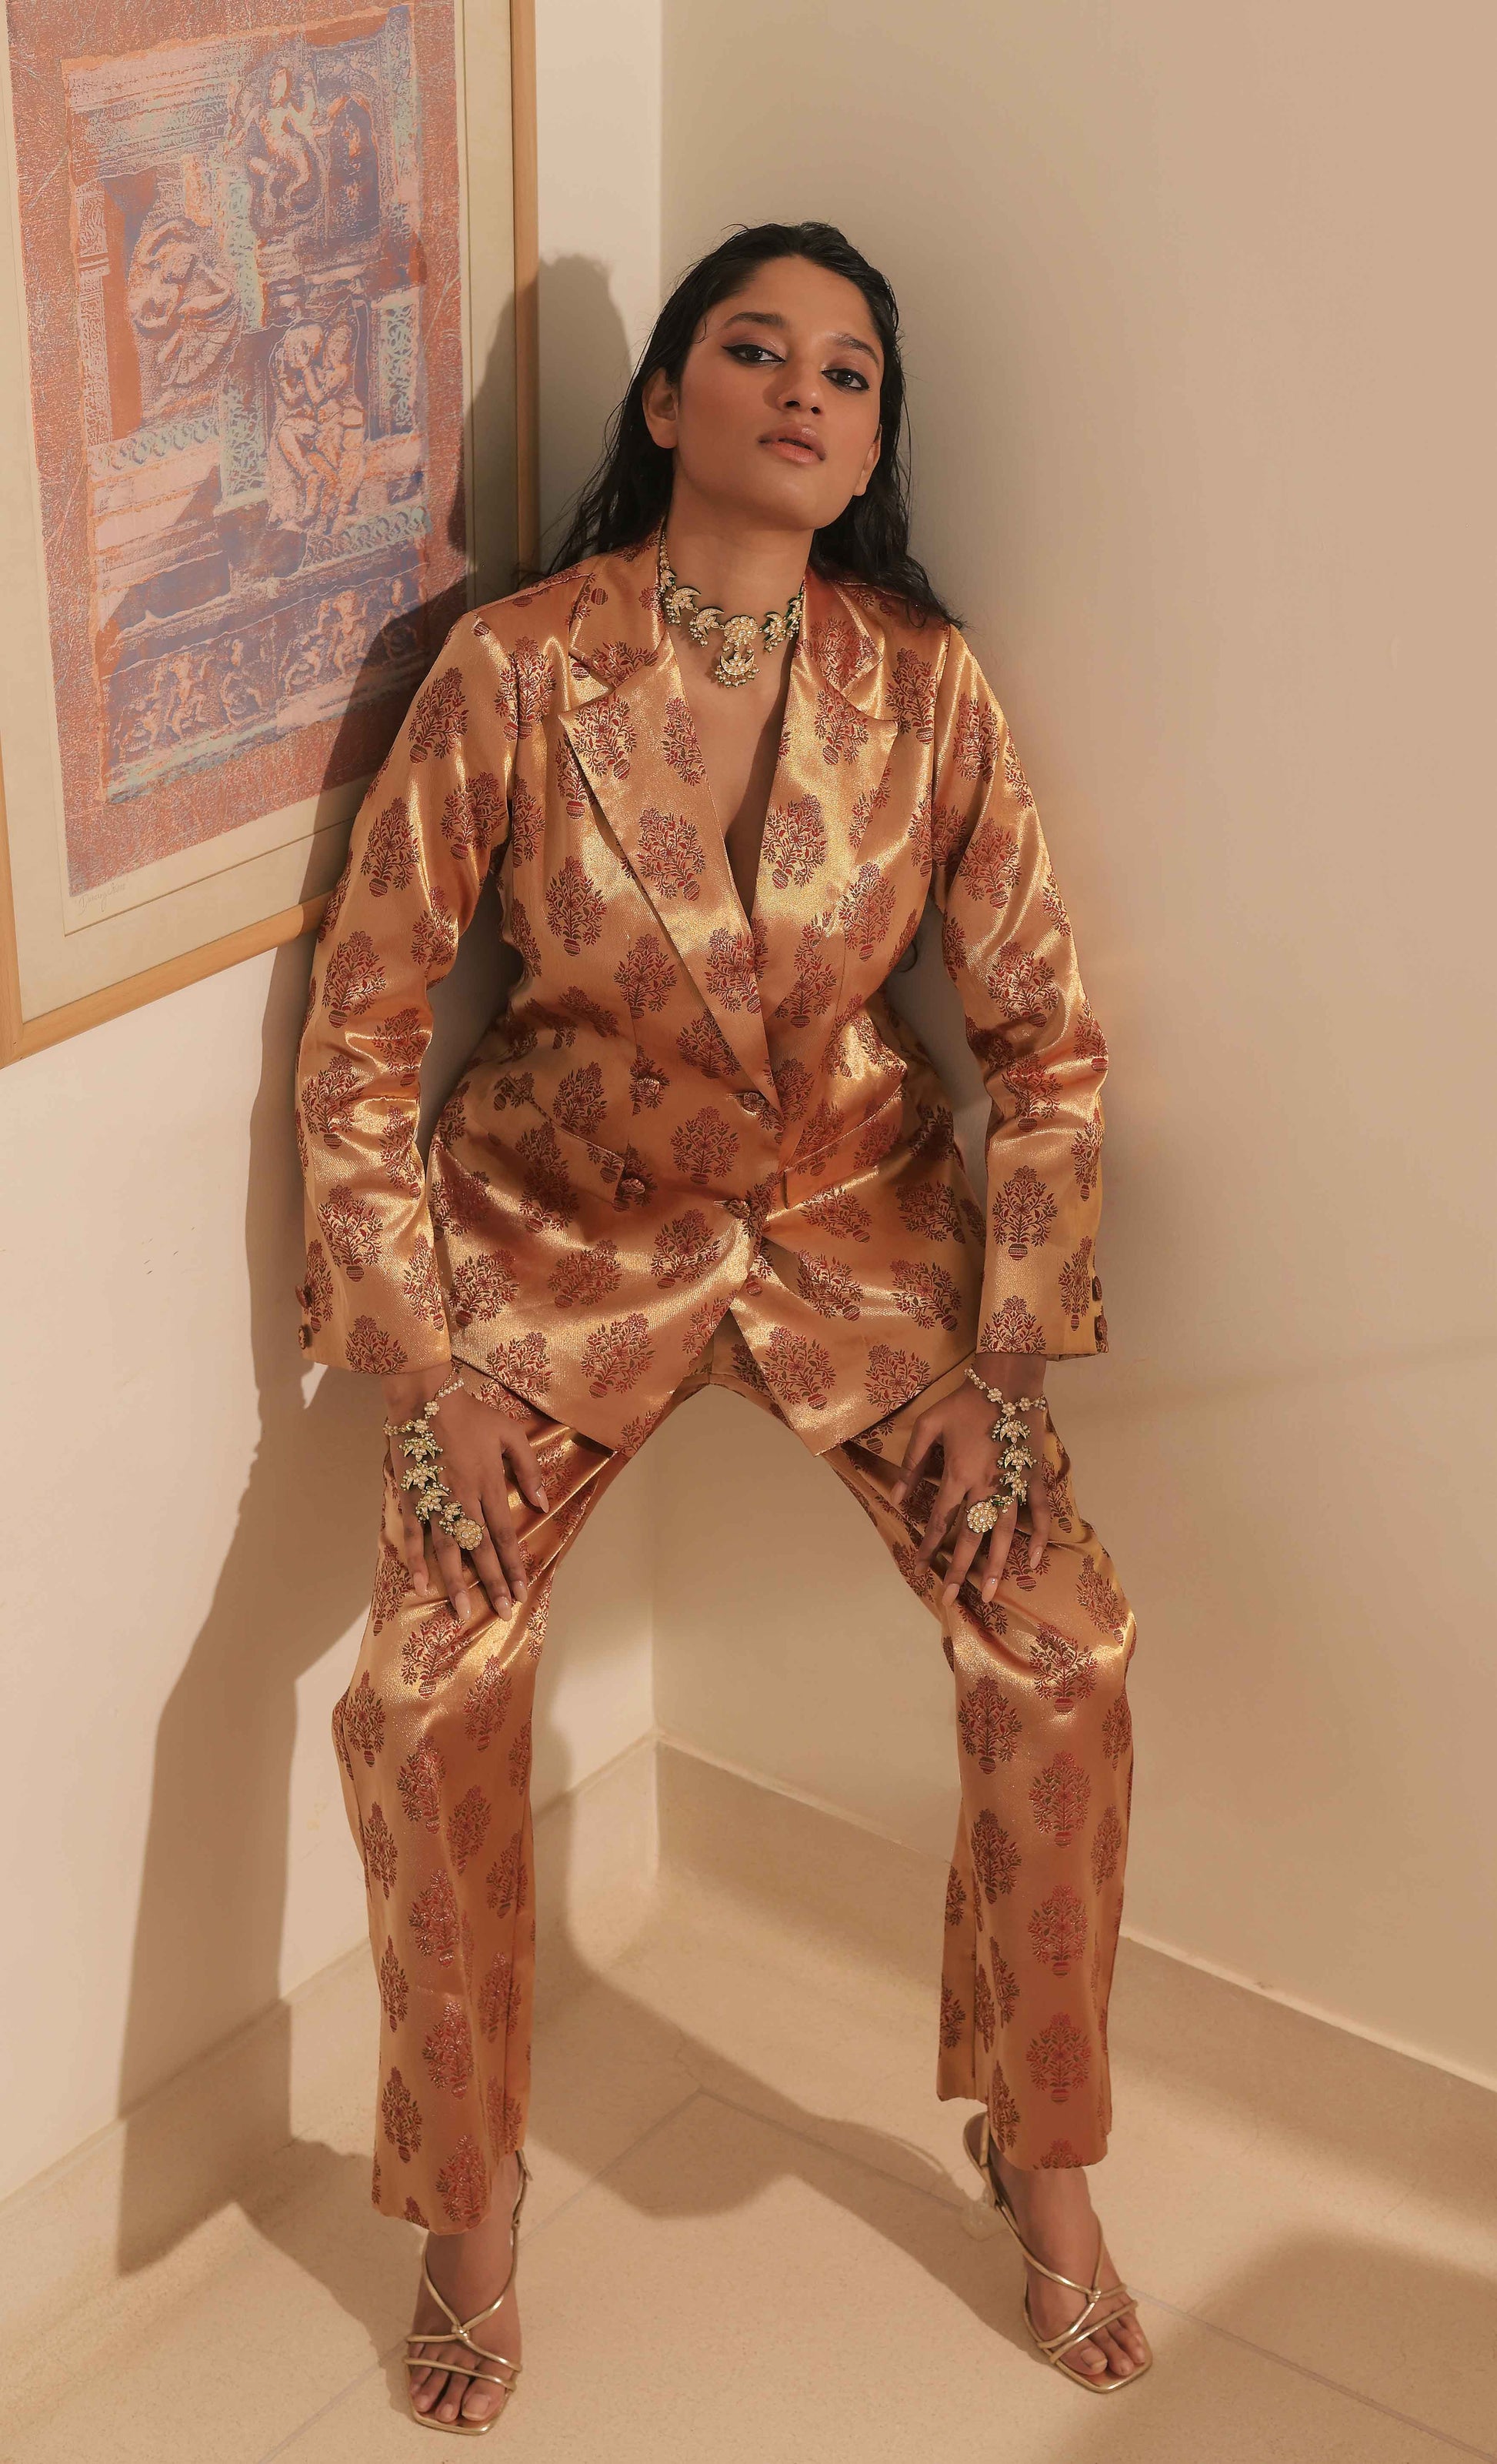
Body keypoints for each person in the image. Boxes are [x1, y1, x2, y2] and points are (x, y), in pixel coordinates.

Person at [294, 219, 1151, 2430]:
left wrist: (998, 1364)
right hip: (549, 1245)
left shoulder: (924, 688)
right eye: (753, 349)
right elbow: (364, 1029)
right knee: (419, 1684)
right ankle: (466, 2211)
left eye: (848, 372)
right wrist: (427, 1368)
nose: (802, 389)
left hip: (865, 1238)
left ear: (868, 448)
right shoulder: (510, 672)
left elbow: (1045, 1045)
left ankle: (1045, 2154)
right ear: (668, 401)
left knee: (1059, 1647)